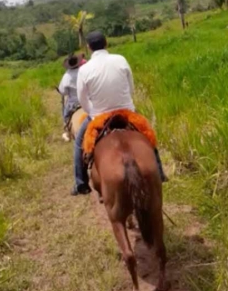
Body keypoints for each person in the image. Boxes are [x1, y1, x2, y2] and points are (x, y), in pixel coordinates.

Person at [71, 31, 168, 196]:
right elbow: (131, 88)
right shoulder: (120, 59)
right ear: (106, 43)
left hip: (99, 116)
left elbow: (82, 98)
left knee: (79, 143)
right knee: (147, 135)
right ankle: (159, 172)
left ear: (89, 47)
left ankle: (81, 183)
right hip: (126, 113)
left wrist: (92, 113)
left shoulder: (84, 69)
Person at [58, 53, 86, 142]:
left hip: (74, 103)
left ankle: (67, 130)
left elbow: (63, 91)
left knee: (66, 115)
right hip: (87, 100)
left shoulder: (66, 76)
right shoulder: (84, 71)